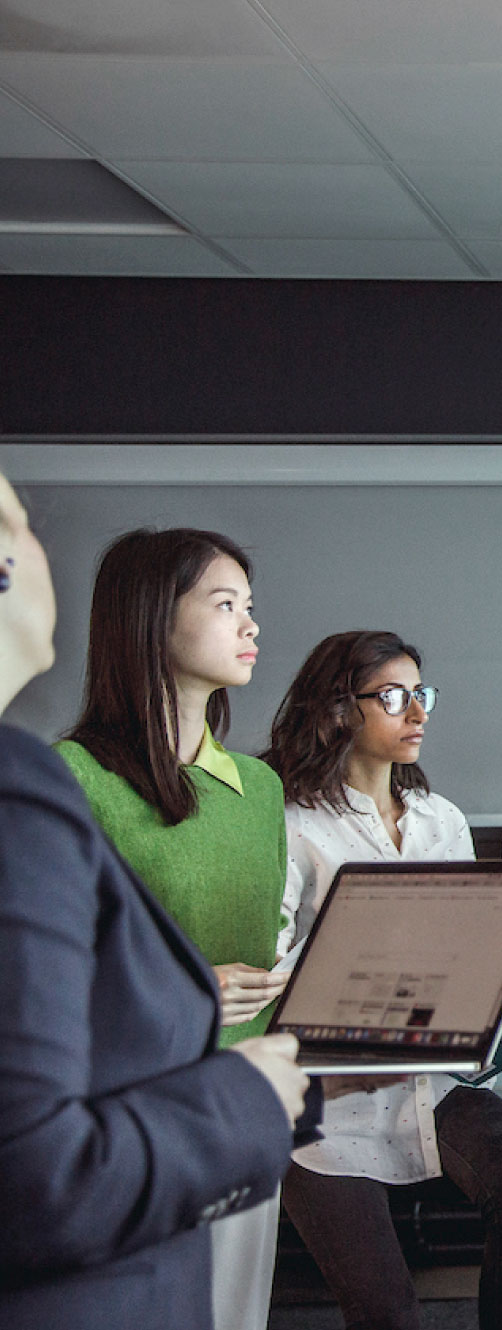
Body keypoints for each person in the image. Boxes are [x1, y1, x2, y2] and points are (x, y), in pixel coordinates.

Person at [0, 474, 307, 1327]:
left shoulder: (261, 788)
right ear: (150, 618)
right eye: (223, 604)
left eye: (251, 604)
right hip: (128, 1114)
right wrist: (194, 991)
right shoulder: (66, 780)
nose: (250, 624)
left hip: (256, 1099)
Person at [264, 630, 502, 1330]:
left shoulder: (442, 821)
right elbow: (271, 969)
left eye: (421, 694)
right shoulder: (292, 825)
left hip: (429, 1080)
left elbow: (470, 959)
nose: (419, 713)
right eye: (394, 697)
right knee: (388, 1311)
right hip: (323, 1100)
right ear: (340, 710)